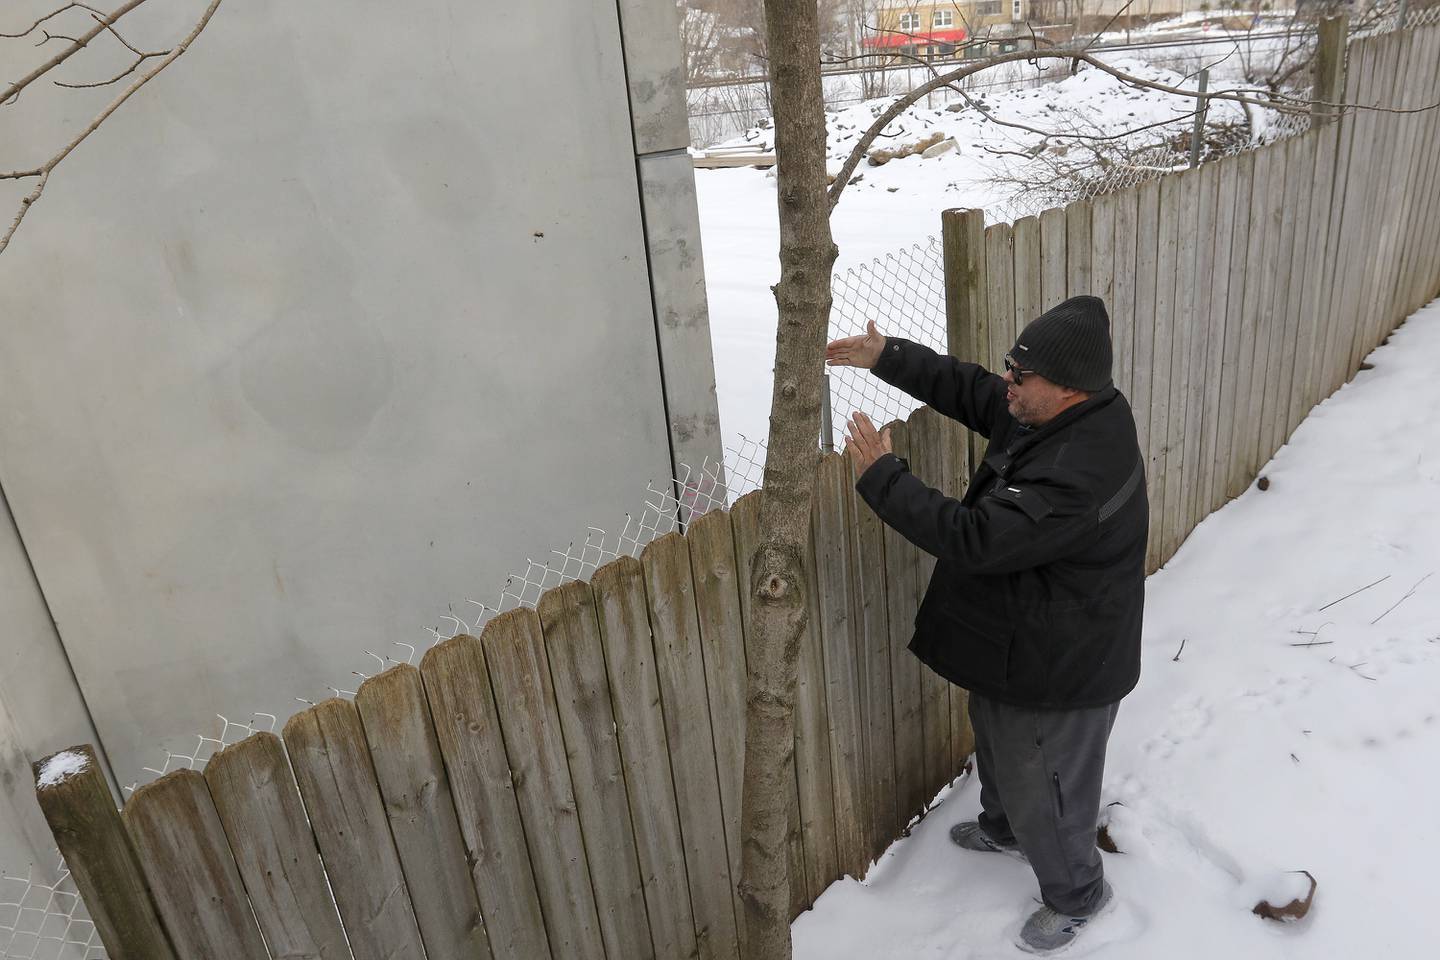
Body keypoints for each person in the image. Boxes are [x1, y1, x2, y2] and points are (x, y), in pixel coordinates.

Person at [825, 295, 1147, 955]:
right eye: (1011, 365)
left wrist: (883, 478)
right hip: (1023, 638)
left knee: (1046, 780)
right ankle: (1004, 828)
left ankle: (1078, 893)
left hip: (1065, 662)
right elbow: (971, 389)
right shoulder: (1050, 413)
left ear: (1067, 389)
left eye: (1021, 375)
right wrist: (886, 355)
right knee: (998, 741)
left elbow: (976, 539)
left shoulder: (1074, 474)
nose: (1007, 381)